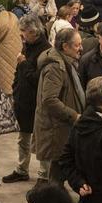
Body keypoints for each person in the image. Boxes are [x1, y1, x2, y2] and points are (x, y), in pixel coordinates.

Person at [35, 28, 85, 184]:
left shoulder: (66, 62)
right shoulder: (55, 67)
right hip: (56, 130)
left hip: (62, 128)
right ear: (65, 47)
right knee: (56, 176)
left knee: (59, 174)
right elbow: (50, 100)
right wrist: (74, 115)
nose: (81, 48)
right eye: (77, 45)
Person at [6, 15, 50, 184]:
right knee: (23, 138)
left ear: (34, 31)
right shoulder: (27, 45)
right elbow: (21, 72)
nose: (21, 34)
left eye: (23, 31)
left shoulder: (46, 51)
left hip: (37, 104)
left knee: (41, 140)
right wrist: (15, 88)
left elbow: (39, 80)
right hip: (23, 101)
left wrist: (23, 63)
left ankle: (44, 175)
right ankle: (22, 170)